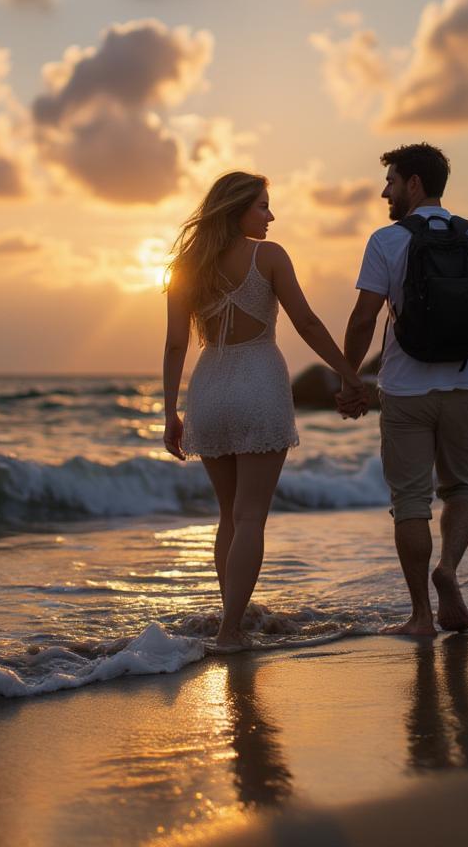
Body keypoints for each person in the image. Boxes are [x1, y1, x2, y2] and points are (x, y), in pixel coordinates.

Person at [163, 171, 365, 651]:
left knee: (228, 518)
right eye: (262, 206)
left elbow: (175, 344)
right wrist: (348, 373)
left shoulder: (185, 266)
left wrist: (170, 411)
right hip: (258, 384)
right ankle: (231, 631)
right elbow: (308, 322)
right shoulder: (268, 256)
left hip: (209, 388)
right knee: (251, 517)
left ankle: (228, 618)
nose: (271, 216)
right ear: (237, 210)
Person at [339, 143, 468, 636]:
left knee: (410, 502)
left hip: (405, 392)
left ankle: (421, 616)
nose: (385, 190)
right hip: (465, 387)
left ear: (414, 185)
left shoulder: (386, 242)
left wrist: (350, 377)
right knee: (463, 488)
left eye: (391, 181)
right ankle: (448, 568)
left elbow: (364, 318)